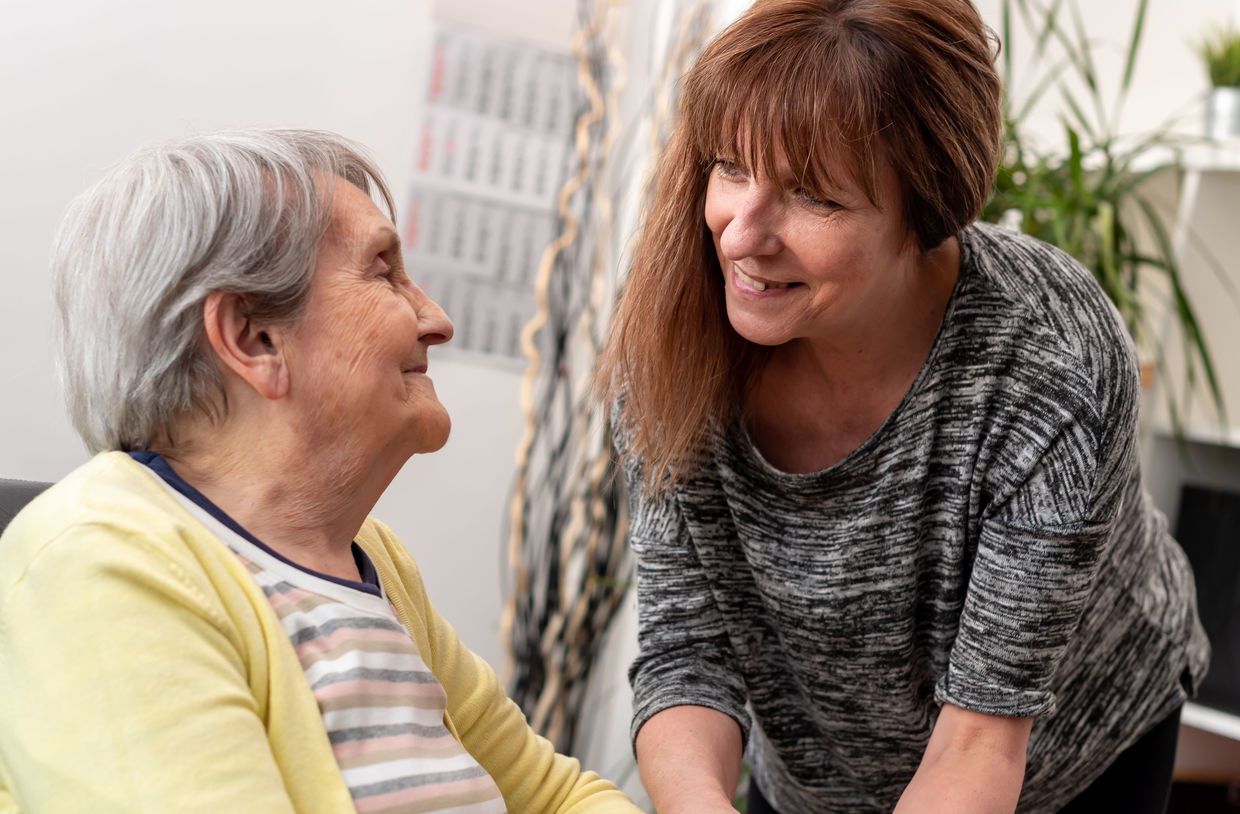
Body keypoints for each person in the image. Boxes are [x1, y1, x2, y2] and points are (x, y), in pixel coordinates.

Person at [597, 1, 1209, 812]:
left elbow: (981, 740)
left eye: (813, 196)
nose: (741, 234)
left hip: (1074, 759)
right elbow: (686, 655)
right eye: (731, 167)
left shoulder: (1044, 360)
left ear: (927, 208)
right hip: (819, 776)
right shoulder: (673, 350)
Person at [0, 129, 641, 814]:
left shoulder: (371, 561)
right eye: (383, 271)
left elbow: (554, 796)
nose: (436, 319)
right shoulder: (100, 562)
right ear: (255, 338)